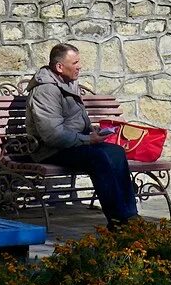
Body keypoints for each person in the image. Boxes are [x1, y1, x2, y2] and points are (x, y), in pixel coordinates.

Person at [26, 43, 138, 228]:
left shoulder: (67, 82)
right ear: (59, 67)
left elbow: (76, 119)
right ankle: (118, 220)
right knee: (99, 157)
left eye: (79, 62)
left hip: (74, 143)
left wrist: (91, 131)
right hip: (50, 149)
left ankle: (130, 215)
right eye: (75, 62)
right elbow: (53, 135)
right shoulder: (46, 90)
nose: (80, 66)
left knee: (116, 152)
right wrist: (88, 139)